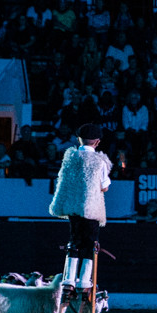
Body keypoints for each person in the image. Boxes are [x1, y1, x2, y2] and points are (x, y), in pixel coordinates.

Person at [49, 123, 112, 292]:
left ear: (79, 139)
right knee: (90, 243)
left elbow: (63, 180)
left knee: (74, 240)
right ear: (97, 142)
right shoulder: (100, 162)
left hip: (73, 207)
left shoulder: (71, 158)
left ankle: (68, 279)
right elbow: (105, 186)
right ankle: (84, 280)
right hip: (91, 208)